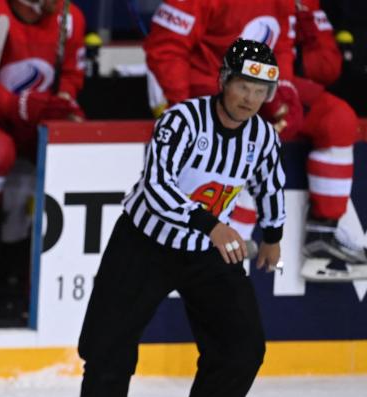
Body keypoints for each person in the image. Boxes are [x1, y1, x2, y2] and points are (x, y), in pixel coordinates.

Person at [48, 39, 286, 397]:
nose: (251, 99)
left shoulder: (262, 135)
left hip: (208, 249)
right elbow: (157, 185)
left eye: (260, 91)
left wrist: (273, 234)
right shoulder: (180, 120)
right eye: (243, 86)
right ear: (223, 81)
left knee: (242, 347)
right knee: (106, 339)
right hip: (144, 242)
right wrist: (211, 223)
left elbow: (271, 180)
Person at [145, 0, 365, 281]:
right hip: (209, 88)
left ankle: (323, 237)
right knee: (250, 141)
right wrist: (190, 114)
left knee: (336, 118)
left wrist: (284, 95)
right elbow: (165, 50)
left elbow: (280, 48)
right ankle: (219, 251)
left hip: (257, 86)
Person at [0, 0, 86, 299]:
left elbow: (73, 73)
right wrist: (13, 105)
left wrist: (64, 97)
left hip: (39, 115)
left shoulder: (70, 17)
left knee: (76, 144)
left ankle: (67, 259)